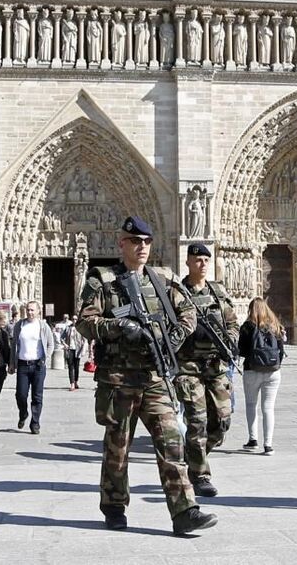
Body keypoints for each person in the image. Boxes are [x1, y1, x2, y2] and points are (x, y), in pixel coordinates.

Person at [76, 216, 217, 535]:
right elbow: (85, 322)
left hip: (155, 376)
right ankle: (113, 506)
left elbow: (188, 312)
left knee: (171, 442)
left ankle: (184, 511)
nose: (142, 247)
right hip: (117, 379)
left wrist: (176, 337)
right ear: (122, 244)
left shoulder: (163, 279)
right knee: (118, 448)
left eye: (147, 242)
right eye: (135, 241)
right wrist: (119, 327)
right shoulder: (103, 280)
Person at [177, 243, 240, 498]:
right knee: (197, 422)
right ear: (188, 262)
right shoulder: (177, 293)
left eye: (206, 260)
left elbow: (233, 322)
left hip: (216, 366)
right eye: (198, 259)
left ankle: (194, 455)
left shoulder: (218, 292)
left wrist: (231, 341)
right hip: (189, 367)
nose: (203, 264)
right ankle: (201, 474)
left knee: (222, 422)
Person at [238, 297, 285, 456]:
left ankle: (252, 440)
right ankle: (268, 445)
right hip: (272, 372)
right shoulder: (274, 325)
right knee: (268, 408)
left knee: (251, 405)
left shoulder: (246, 326)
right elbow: (281, 350)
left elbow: (242, 351)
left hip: (252, 370)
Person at [9, 300, 54, 434]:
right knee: (21, 395)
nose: (30, 312)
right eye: (28, 310)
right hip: (23, 364)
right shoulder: (19, 325)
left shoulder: (43, 326)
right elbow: (14, 345)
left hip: (38, 365)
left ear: (38, 311)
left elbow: (51, 344)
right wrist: (12, 363)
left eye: (33, 310)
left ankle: (35, 423)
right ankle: (23, 413)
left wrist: (46, 358)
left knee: (37, 396)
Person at [64, 316, 88, 391]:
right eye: (73, 319)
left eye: (76, 319)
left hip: (78, 349)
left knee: (76, 367)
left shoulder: (80, 328)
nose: (74, 320)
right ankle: (72, 384)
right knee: (70, 367)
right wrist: (65, 344)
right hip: (70, 349)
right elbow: (62, 337)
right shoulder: (68, 328)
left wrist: (84, 349)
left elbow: (85, 339)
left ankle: (76, 381)